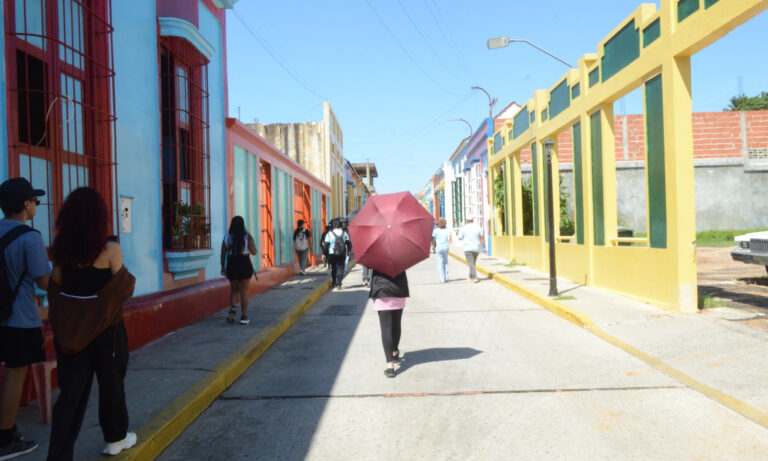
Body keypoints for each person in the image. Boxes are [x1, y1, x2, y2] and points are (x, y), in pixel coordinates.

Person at [46, 187, 136, 459]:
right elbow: (123, 289)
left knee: (70, 396)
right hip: (107, 332)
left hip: (73, 334)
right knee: (111, 384)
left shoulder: (61, 251)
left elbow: (57, 288)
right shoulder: (110, 250)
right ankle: (115, 438)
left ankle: (59, 455)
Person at [0, 177, 50, 460]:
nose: (36, 206)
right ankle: (5, 439)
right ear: (25, 205)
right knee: (15, 375)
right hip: (19, 319)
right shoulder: (29, 237)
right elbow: (43, 281)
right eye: (35, 201)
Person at [369, 270, 409, 378]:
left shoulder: (374, 254)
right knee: (396, 324)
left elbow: (367, 265)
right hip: (398, 288)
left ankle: (390, 365)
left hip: (381, 290)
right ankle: (395, 351)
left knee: (386, 328)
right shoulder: (402, 253)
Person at [221, 216, 258, 325]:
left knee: (234, 290)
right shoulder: (247, 237)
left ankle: (233, 308)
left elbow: (223, 253)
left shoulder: (227, 237)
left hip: (232, 264)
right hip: (244, 263)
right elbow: (254, 252)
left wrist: (223, 266)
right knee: (244, 291)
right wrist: (252, 244)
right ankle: (244, 316)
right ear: (242, 225)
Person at [458, 217, 486, 283]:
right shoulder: (478, 227)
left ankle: (474, 277)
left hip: (468, 248)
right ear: (472, 220)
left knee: (471, 263)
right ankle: (471, 275)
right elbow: (482, 238)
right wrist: (485, 247)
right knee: (473, 263)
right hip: (476, 248)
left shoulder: (464, 228)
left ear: (467, 220)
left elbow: (459, 238)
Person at [323, 220, 349, 289]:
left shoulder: (329, 234)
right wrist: (349, 251)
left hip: (332, 253)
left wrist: (324, 254)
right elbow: (348, 243)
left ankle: (334, 282)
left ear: (333, 226)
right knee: (340, 268)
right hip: (342, 253)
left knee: (334, 268)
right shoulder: (344, 233)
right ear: (339, 225)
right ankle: (339, 283)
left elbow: (326, 245)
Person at [431, 218, 452, 283]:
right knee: (445, 262)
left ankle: (442, 279)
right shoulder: (447, 230)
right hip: (446, 247)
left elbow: (433, 239)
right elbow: (449, 238)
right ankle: (446, 277)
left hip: (439, 247)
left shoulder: (436, 230)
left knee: (440, 263)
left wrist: (434, 247)